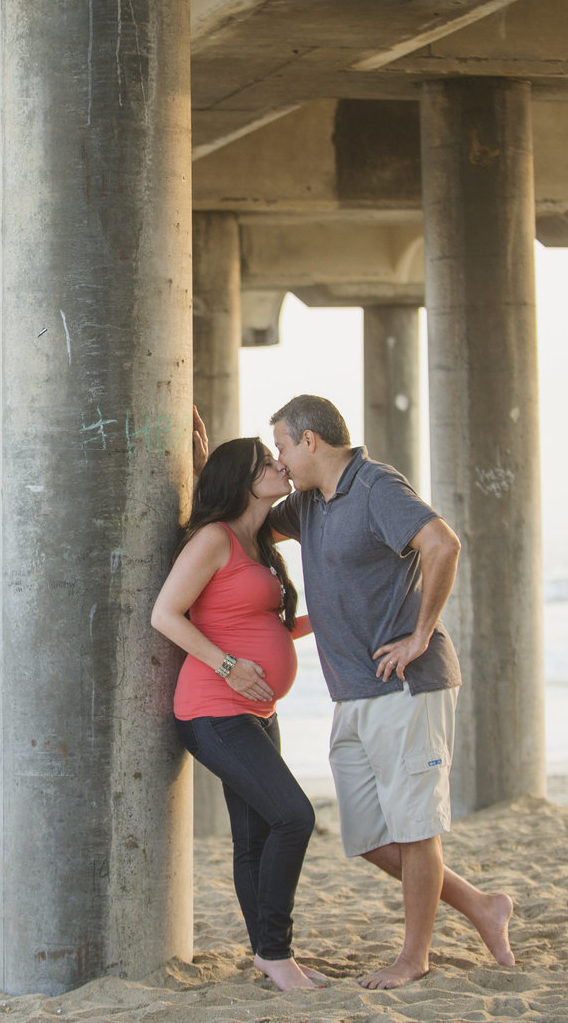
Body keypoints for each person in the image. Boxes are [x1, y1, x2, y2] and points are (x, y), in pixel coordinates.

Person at [227, 394, 515, 989]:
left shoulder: (375, 485)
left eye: (281, 445)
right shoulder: (307, 505)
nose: (279, 460)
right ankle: (483, 906)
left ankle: (415, 957)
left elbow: (443, 545)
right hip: (352, 694)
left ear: (310, 441)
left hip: (407, 686)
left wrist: (419, 634)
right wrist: (211, 467)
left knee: (414, 829)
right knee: (369, 838)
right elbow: (248, 518)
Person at [151, 436, 328, 991]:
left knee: (253, 837)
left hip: (258, 709)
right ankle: (276, 951)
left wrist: (327, 618)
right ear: (243, 482)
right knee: (295, 817)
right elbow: (165, 613)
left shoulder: (259, 544)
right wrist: (227, 666)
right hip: (213, 710)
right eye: (266, 462)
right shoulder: (213, 539)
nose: (280, 464)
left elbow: (265, 625)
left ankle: (269, 956)